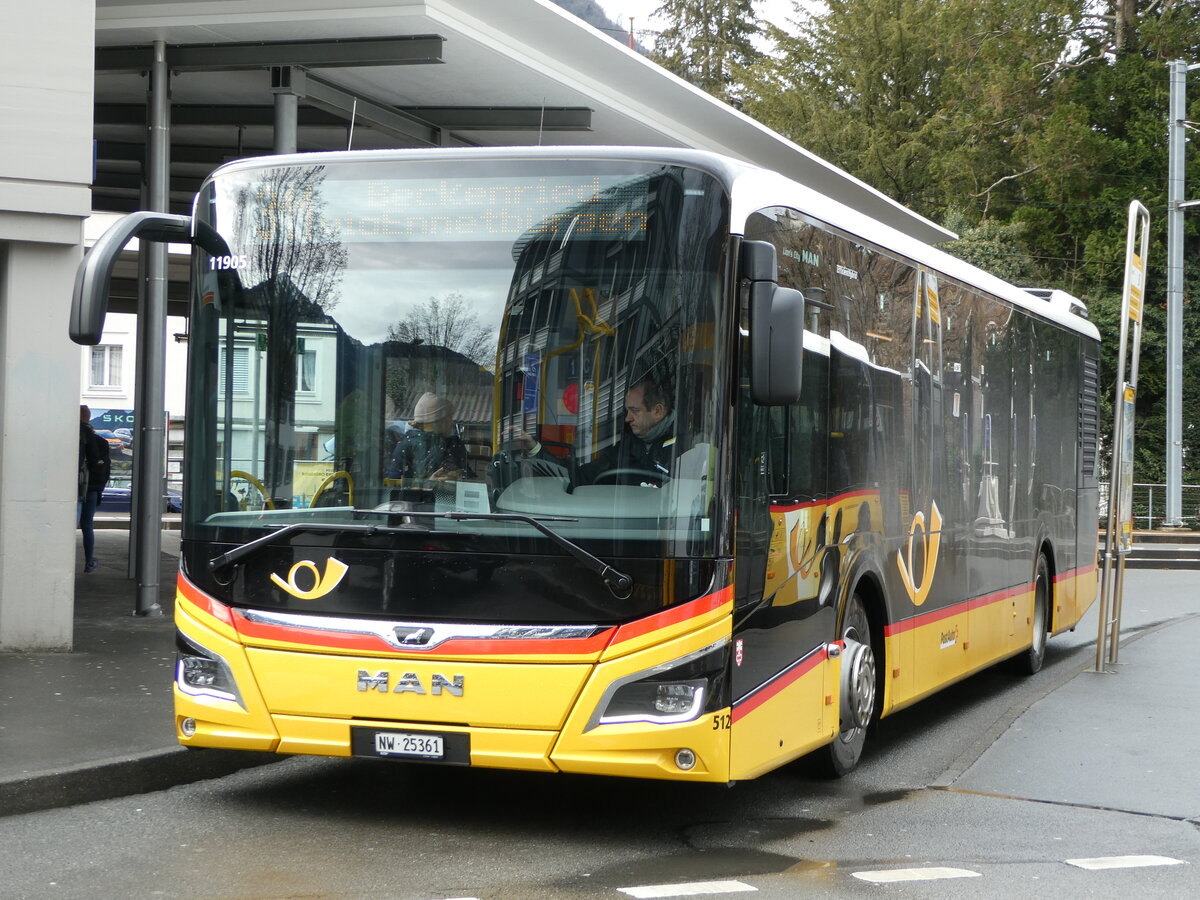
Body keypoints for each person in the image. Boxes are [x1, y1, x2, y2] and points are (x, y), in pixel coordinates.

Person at [578, 378, 675, 485]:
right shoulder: (629, 443)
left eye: (634, 410)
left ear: (657, 411)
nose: (627, 418)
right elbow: (590, 473)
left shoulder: (682, 447)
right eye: (627, 411)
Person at [386, 392, 474, 482]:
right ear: (436, 422)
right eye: (449, 418)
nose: (452, 423)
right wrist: (428, 484)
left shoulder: (454, 444)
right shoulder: (407, 447)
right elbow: (394, 486)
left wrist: (459, 477)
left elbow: (469, 478)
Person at [77, 405, 111, 574]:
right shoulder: (100, 442)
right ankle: (89, 562)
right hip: (91, 490)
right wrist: (98, 488)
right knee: (87, 525)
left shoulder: (71, 436)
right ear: (88, 418)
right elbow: (104, 470)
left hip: (74, 488)